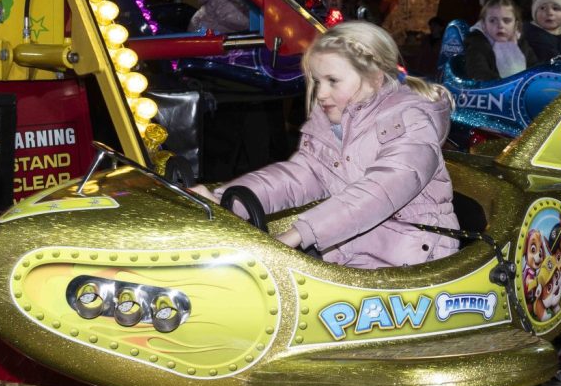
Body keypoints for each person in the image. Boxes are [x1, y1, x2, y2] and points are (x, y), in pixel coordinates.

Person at [190, 21, 459, 269]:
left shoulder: (410, 121)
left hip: (417, 258)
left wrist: (301, 232)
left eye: (333, 81)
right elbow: (298, 177)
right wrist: (227, 199)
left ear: (375, 78)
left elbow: (380, 191)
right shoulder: (332, 125)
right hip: (356, 252)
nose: (320, 93)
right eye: (317, 81)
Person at [462, 0, 538, 80]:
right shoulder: (476, 44)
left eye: (506, 20)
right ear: (483, 25)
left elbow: (535, 69)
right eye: (493, 21)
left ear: (516, 25)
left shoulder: (522, 44)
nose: (500, 25)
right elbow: (478, 74)